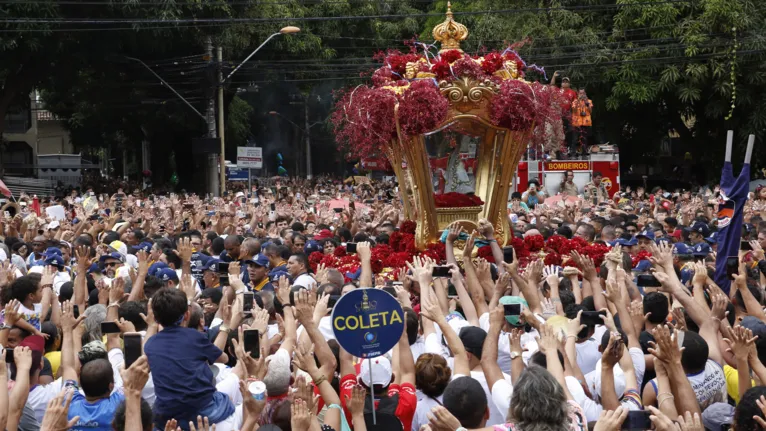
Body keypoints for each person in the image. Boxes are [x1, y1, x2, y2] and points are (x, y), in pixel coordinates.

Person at [571, 88, 593, 154]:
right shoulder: (575, 101)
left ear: (585, 93)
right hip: (577, 123)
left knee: (584, 139)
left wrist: (587, 103)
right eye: (580, 93)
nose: (582, 95)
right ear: (578, 94)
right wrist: (578, 100)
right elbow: (574, 111)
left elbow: (590, 111)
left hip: (585, 123)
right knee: (575, 139)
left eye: (583, 93)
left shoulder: (589, 101)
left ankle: (584, 153)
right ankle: (573, 153)